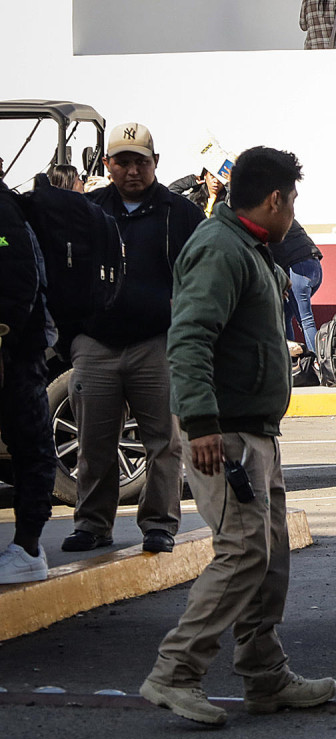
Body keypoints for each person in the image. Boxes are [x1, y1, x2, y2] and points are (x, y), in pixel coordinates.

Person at [141, 146, 336, 727]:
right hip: (222, 435)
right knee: (244, 549)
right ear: (275, 198)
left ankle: (263, 674)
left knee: (269, 554)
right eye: (293, 199)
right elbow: (190, 338)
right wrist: (202, 426)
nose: (294, 210)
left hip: (253, 431)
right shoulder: (220, 248)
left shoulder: (250, 247)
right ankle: (176, 672)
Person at [66, 122, 204, 555]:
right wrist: (74, 336)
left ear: (155, 164)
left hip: (156, 344)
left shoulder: (180, 213)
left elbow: (201, 277)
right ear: (107, 164)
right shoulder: (87, 211)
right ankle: (92, 524)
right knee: (94, 444)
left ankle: (160, 525)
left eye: (139, 162)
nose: (130, 170)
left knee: (163, 442)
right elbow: (65, 274)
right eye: (122, 161)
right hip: (96, 344)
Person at [0, 185, 56, 583]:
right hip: (15, 349)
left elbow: (18, 276)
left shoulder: (4, 211)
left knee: (29, 445)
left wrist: (1, 339)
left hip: (15, 352)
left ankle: (27, 547)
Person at [270, 220, 323, 354]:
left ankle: (318, 362)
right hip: (315, 266)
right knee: (286, 314)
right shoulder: (283, 215)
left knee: (305, 320)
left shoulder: (265, 219)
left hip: (298, 268)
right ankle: (291, 359)